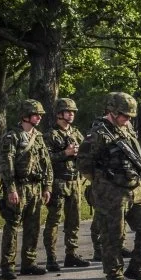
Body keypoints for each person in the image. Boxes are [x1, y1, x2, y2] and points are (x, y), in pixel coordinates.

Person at [78, 92, 141, 280]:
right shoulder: (97, 133)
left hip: (134, 186)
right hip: (111, 190)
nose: (128, 119)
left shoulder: (127, 128)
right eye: (124, 115)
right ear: (112, 111)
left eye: (130, 116)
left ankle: (136, 267)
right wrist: (102, 182)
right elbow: (84, 164)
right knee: (114, 234)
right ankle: (114, 275)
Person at [0, 99, 53, 279]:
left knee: (33, 226)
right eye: (36, 114)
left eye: (40, 115)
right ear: (25, 116)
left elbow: (46, 164)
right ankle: (8, 265)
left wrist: (47, 186)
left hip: (36, 187)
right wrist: (11, 189)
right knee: (13, 225)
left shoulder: (38, 136)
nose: (39, 117)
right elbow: (7, 165)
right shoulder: (11, 137)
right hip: (19, 186)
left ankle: (29, 263)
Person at [43, 97, 90, 270]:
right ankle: (51, 257)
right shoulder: (50, 135)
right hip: (57, 182)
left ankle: (71, 254)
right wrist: (65, 153)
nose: (71, 115)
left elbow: (87, 152)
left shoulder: (76, 133)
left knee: (74, 221)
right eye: (68, 112)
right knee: (54, 220)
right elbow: (45, 160)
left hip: (75, 182)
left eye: (73, 112)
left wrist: (80, 155)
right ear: (59, 114)